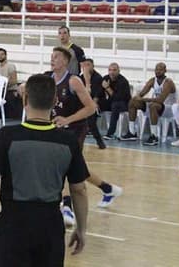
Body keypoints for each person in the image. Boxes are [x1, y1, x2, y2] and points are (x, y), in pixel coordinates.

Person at [0, 73, 89, 265]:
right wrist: (81, 228)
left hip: (13, 225)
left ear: (25, 98)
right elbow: (79, 190)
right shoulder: (68, 141)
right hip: (50, 226)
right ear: (55, 101)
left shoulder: (7, 136)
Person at [48, 47, 122, 226]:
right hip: (58, 128)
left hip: (76, 128)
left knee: (62, 167)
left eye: (56, 57)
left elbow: (90, 108)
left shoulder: (73, 81)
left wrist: (68, 119)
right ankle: (108, 188)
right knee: (76, 168)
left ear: (65, 61)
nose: (52, 59)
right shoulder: (49, 80)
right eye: (51, 56)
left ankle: (67, 207)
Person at [121, 63, 177, 145]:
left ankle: (154, 136)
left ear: (165, 71)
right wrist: (137, 97)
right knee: (133, 102)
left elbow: (160, 100)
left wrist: (143, 99)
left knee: (153, 105)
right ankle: (132, 132)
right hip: (156, 107)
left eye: (160, 70)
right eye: (156, 69)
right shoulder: (152, 80)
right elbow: (141, 94)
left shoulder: (168, 82)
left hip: (169, 109)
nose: (158, 71)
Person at [80, 58, 106, 149]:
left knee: (91, 120)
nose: (86, 67)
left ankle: (99, 141)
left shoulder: (98, 78)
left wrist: (92, 104)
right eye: (85, 65)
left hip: (96, 102)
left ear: (93, 66)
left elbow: (98, 94)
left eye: (88, 65)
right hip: (83, 103)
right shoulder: (80, 77)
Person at [101, 63, 131, 139]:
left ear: (118, 71)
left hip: (124, 103)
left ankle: (111, 133)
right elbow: (99, 91)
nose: (112, 72)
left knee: (116, 105)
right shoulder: (106, 78)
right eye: (110, 70)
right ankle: (90, 129)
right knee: (95, 103)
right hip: (111, 102)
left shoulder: (123, 81)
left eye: (114, 70)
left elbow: (118, 98)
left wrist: (107, 88)